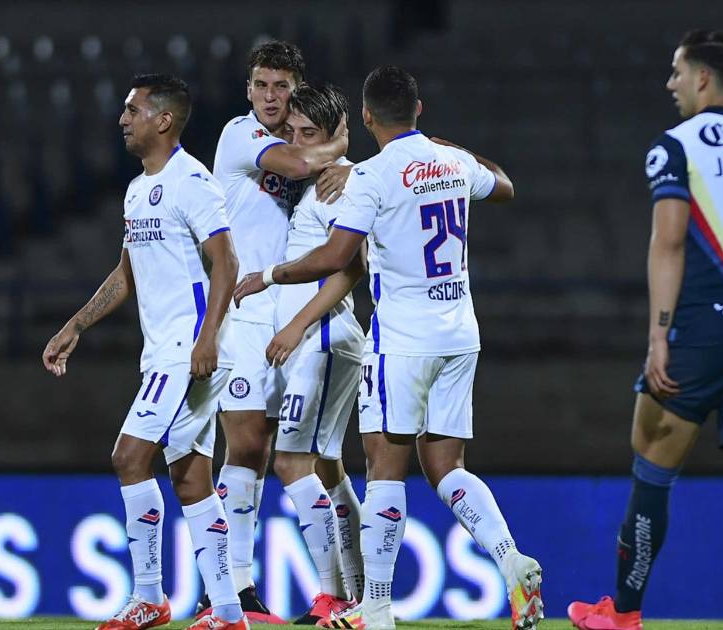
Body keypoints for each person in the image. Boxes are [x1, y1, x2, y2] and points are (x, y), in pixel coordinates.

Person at [233, 65, 543, 630]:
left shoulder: (371, 177)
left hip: (402, 340)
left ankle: (374, 606)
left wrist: (270, 275)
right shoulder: (451, 162)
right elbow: (504, 185)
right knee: (446, 467)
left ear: (367, 116)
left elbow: (336, 258)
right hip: (460, 334)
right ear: (418, 109)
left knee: (384, 468)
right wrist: (452, 150)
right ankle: (509, 559)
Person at [566, 30, 723, 630]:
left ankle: (623, 615)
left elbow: (668, 244)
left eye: (677, 71)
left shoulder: (678, 146)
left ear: (702, 77)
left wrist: (659, 336)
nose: (670, 84)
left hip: (699, 327)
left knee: (651, 463)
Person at [41, 74, 248, 630]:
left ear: (163, 119)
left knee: (129, 457)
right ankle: (229, 611)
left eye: (132, 110)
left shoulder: (192, 182)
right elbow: (127, 273)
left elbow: (227, 262)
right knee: (191, 479)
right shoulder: (137, 190)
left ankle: (149, 597)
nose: (122, 120)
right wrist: (77, 324)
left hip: (188, 349)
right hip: (168, 350)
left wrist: (208, 337)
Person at [204, 40, 350, 624]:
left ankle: (247, 588)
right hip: (242, 310)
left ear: (295, 91)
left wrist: (339, 166)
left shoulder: (300, 145)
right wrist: (339, 147)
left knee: (270, 449)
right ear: (248, 89)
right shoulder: (240, 134)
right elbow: (295, 165)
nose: (269, 96)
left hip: (287, 312)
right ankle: (231, 587)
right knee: (245, 444)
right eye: (261, 84)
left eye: (281, 87)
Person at [268, 82, 369, 624]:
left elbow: (351, 268)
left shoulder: (338, 186)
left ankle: (332, 595)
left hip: (324, 337)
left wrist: (297, 326)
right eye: (292, 132)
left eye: (310, 133)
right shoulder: (319, 182)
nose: (297, 142)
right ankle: (358, 596)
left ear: (333, 136)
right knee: (327, 468)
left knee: (290, 461)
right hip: (322, 340)